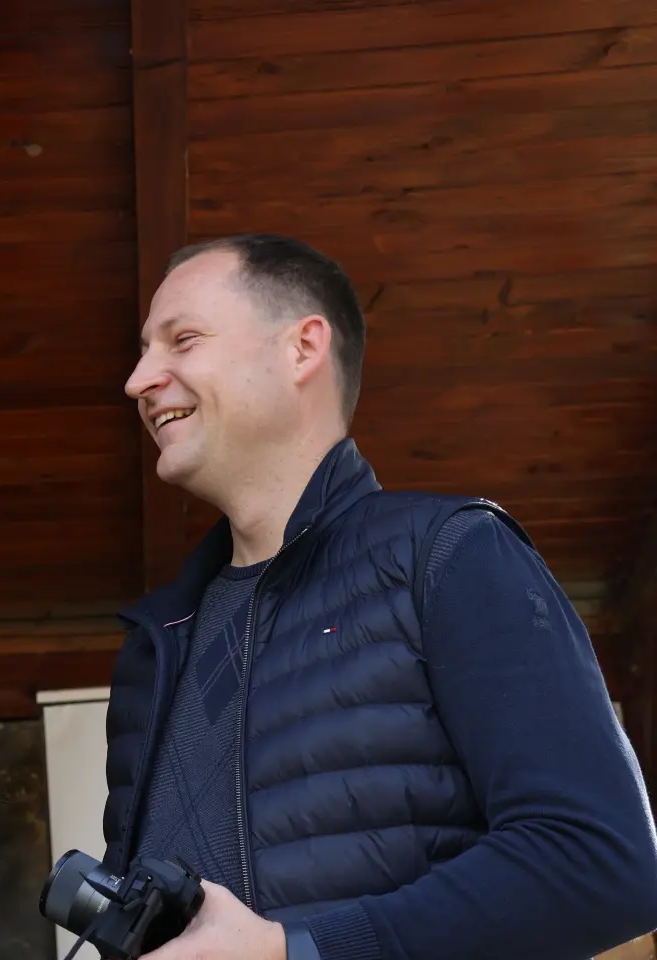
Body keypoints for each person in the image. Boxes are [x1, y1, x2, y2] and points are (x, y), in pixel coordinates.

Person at [103, 233, 657, 960]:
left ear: (302, 349)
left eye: (182, 340)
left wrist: (296, 951)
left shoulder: (450, 554)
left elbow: (603, 862)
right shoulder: (156, 647)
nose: (139, 379)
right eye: (145, 350)